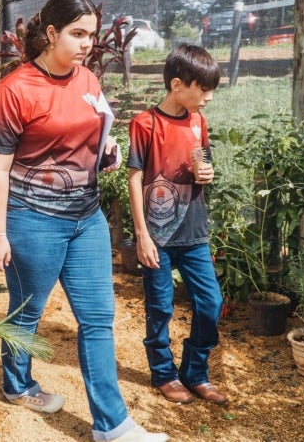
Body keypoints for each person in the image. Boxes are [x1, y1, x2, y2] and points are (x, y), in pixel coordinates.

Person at [0, 0, 168, 442]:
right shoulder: (14, 91)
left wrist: (107, 148)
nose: (87, 43)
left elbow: (97, 126)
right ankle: (17, 384)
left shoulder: (87, 80)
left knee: (98, 319)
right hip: (32, 220)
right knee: (27, 314)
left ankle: (112, 424)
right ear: (51, 33)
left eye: (91, 35)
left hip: (86, 218)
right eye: (77, 34)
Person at [126, 44, 226, 407]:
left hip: (194, 233)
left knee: (210, 303)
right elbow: (135, 179)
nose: (209, 98)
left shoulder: (199, 121)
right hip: (158, 236)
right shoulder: (145, 124)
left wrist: (208, 172)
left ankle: (195, 373)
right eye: (204, 89)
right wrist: (142, 236)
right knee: (161, 306)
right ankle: (164, 373)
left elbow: (205, 163)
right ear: (178, 85)